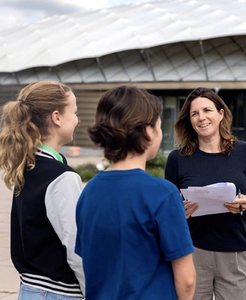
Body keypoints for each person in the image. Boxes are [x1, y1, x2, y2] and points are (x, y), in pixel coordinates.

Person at [75, 86, 196, 300]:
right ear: (149, 132)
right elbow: (186, 279)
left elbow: (90, 261)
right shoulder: (163, 194)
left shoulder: (89, 192)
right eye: (159, 125)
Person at [165, 87, 246, 300]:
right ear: (189, 120)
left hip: (235, 253)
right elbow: (168, 210)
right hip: (192, 252)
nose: (201, 117)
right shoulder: (177, 158)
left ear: (221, 113)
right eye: (194, 114)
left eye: (207, 110)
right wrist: (179, 213)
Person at [0, 81, 85, 298]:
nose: (78, 119)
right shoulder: (60, 176)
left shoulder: (27, 164)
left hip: (29, 289)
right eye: (74, 112)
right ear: (56, 117)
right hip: (58, 293)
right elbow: (78, 250)